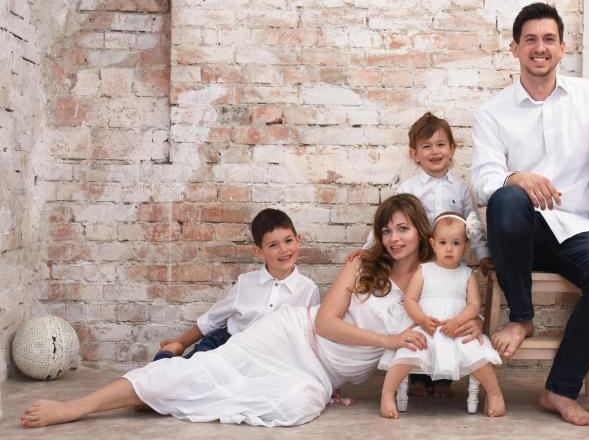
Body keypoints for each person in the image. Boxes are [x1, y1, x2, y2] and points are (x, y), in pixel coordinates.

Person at [20, 194, 483, 428]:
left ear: (420, 232)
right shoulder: (362, 265)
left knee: (296, 407)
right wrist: (388, 340)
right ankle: (76, 407)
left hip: (321, 375)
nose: (394, 238)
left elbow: (459, 315)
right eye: (386, 230)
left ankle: (173, 398)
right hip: (292, 336)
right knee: (203, 370)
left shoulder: (435, 279)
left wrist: (475, 327)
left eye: (403, 229)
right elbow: (326, 323)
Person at [471, 2, 589, 426]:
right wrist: (517, 178)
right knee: (505, 198)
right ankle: (522, 318)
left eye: (549, 39)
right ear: (514, 49)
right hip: (519, 233)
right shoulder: (492, 112)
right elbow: (484, 180)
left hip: (579, 229)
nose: (540, 48)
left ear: (562, 47)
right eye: (530, 40)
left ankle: (560, 389)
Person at [348, 111, 493, 397]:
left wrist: (484, 255)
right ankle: (418, 374)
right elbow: (388, 220)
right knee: (421, 316)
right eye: (426, 146)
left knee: (447, 315)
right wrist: (367, 250)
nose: (434, 151)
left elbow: (474, 224)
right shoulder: (409, 188)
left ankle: (443, 379)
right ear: (414, 154)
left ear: (452, 149)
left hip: (450, 266)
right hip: (419, 263)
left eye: (440, 144)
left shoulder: (462, 189)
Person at [379, 212, 503, 419]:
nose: (449, 249)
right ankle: (387, 393)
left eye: (456, 243)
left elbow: (474, 305)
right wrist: (421, 319)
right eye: (443, 243)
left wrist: (457, 321)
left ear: (465, 246)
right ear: (433, 244)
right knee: (407, 353)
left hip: (454, 330)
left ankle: (494, 392)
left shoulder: (467, 275)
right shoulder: (424, 271)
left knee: (478, 355)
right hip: (426, 328)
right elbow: (410, 300)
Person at [152, 208, 320, 361]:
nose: (284, 249)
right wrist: (181, 342)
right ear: (258, 252)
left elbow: (311, 337)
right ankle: (170, 352)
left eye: (288, 241)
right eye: (273, 245)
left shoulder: (308, 290)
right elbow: (212, 319)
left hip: (266, 358)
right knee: (178, 375)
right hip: (224, 343)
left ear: (298, 240)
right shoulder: (245, 283)